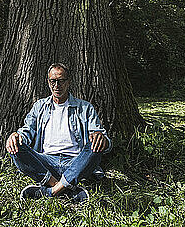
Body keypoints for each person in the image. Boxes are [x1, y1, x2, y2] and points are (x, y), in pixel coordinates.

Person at [6, 63, 111, 203]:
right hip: (46, 162)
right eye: (53, 81)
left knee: (94, 147)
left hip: (76, 162)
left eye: (61, 81)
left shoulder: (85, 108)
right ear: (48, 82)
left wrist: (102, 139)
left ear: (68, 82)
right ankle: (65, 188)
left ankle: (51, 191)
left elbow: (103, 140)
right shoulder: (39, 106)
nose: (57, 85)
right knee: (15, 146)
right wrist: (16, 137)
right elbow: (26, 132)